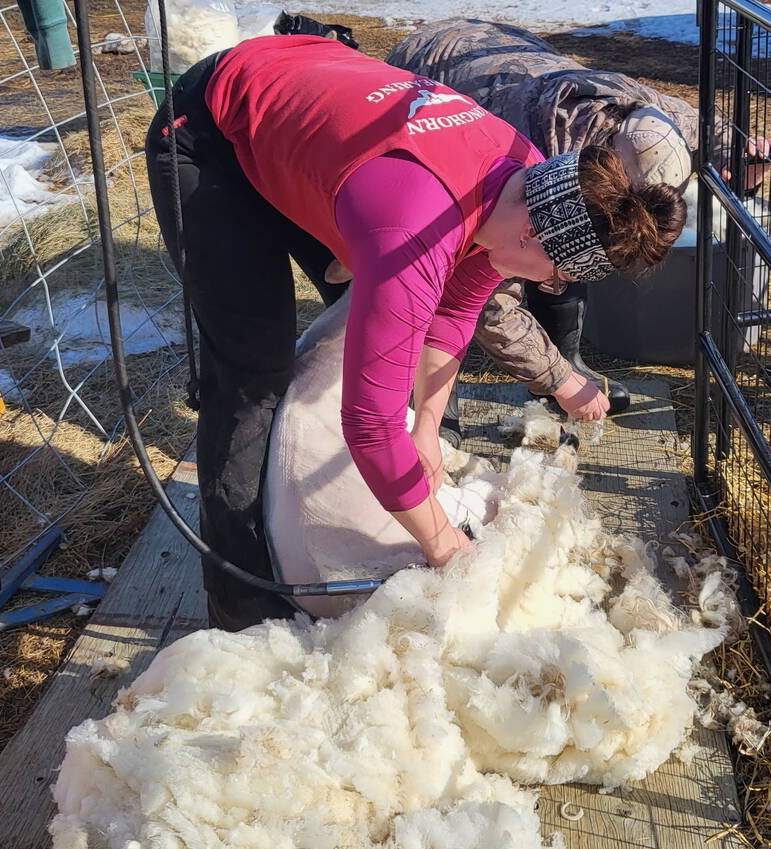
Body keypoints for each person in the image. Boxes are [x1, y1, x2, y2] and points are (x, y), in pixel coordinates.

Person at [145, 34, 686, 630]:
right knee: (253, 371)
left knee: (376, 328)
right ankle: (242, 602)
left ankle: (350, 496)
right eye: (554, 277)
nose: (549, 287)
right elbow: (371, 421)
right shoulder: (411, 232)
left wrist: (427, 429)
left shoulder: (529, 178)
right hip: (212, 130)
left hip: (324, 126)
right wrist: (444, 545)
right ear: (532, 238)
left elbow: (453, 315)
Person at [384, 19, 771, 423]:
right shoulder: (523, 159)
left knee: (560, 257)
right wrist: (557, 380)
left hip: (506, 49)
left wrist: (738, 155)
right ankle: (425, 405)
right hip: (428, 73)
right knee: (426, 274)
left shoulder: (647, 119)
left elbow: (703, 127)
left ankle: (566, 355)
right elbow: (487, 302)